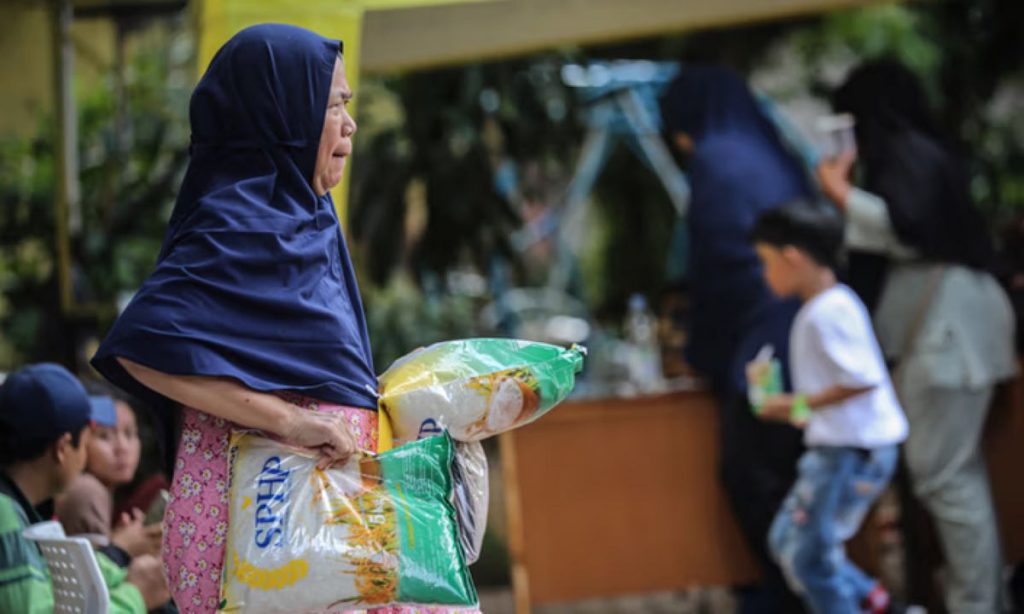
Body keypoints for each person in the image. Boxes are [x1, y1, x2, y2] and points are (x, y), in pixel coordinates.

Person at [90, 24, 478, 614]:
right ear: (282, 115)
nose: (349, 124)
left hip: (329, 524)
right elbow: (139, 346)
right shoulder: (233, 222)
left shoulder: (311, 219)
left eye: (348, 105)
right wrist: (289, 422)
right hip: (264, 535)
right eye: (333, 106)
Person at [817, 59, 1016, 614]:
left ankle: (977, 604)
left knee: (948, 484)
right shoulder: (930, 155)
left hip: (947, 341)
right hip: (959, 333)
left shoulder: (907, 161)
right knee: (956, 480)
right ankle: (985, 600)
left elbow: (909, 231)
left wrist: (840, 194)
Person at [659, 66, 814, 613]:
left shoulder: (716, 164)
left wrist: (703, 354)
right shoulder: (773, 152)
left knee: (751, 472)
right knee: (792, 469)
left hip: (762, 347)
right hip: (804, 340)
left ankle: (787, 595)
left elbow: (723, 272)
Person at [750, 203, 908, 613]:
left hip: (848, 454)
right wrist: (788, 410)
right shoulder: (826, 307)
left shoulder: (829, 311)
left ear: (793, 257)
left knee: (809, 559)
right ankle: (876, 600)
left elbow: (861, 379)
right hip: (835, 448)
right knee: (787, 541)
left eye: (766, 263)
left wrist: (795, 403)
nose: (765, 276)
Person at [0, 363, 170, 613]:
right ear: (62, 448)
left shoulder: (15, 507)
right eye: (90, 437)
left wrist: (118, 553)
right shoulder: (5, 513)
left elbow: (51, 588)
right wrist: (136, 597)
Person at [56, 387, 167, 568]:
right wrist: (124, 547)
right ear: (80, 439)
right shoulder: (88, 490)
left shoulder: (105, 491)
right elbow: (95, 580)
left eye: (130, 433)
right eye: (104, 436)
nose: (122, 447)